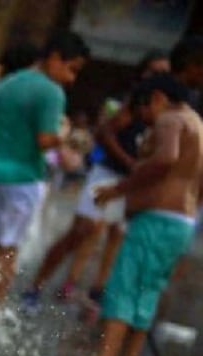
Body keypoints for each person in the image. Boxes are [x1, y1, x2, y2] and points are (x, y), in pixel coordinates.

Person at [59, 73, 203, 356]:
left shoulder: (170, 119)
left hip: (155, 219)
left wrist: (119, 189)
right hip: (180, 221)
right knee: (147, 290)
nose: (145, 120)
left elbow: (165, 159)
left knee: (124, 287)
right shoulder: (196, 123)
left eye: (143, 112)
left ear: (156, 98)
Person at [21, 50, 171, 310]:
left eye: (163, 73)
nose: (158, 77)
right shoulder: (135, 103)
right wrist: (129, 162)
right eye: (154, 71)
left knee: (117, 235)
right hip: (110, 174)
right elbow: (105, 132)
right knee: (83, 230)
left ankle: (95, 290)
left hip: (134, 182)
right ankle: (37, 285)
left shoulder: (171, 110)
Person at [0, 31, 90, 303]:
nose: (72, 78)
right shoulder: (51, 92)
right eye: (71, 69)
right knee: (6, 249)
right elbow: (45, 140)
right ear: (55, 58)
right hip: (22, 179)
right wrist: (64, 132)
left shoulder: (9, 82)